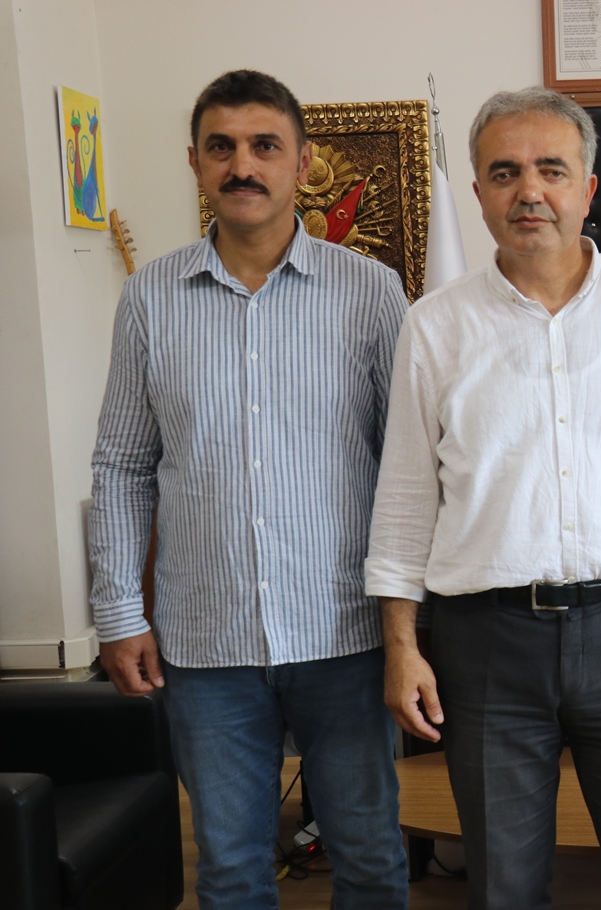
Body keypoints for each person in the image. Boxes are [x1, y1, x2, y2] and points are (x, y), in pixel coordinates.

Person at [367, 86, 601, 910]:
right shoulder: (434, 325)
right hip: (485, 642)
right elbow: (407, 494)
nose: (529, 190)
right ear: (479, 192)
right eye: (505, 172)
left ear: (587, 188)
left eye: (551, 170)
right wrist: (400, 645)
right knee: (502, 885)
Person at [88, 70, 409, 909]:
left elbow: (409, 467)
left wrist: (411, 625)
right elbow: (122, 465)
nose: (243, 165)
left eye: (265, 146)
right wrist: (119, 613)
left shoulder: (370, 292)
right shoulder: (149, 298)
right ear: (194, 163)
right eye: (222, 147)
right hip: (206, 643)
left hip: (346, 632)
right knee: (230, 871)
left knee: (370, 859)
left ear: (302, 163)